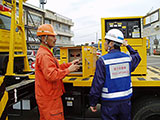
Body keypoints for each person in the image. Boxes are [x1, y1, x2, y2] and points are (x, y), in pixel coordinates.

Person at [89, 29, 141, 120]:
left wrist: (93, 102)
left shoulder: (103, 60)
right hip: (125, 100)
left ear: (111, 44)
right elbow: (137, 56)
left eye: (106, 41)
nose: (104, 43)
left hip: (109, 103)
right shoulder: (127, 58)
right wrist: (127, 45)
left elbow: (97, 84)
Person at [35, 24, 80, 120]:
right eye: (53, 36)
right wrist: (68, 70)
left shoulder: (46, 52)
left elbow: (56, 68)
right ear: (44, 38)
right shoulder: (44, 55)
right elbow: (51, 75)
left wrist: (69, 64)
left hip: (48, 96)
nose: (55, 39)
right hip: (50, 98)